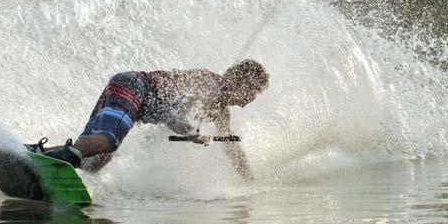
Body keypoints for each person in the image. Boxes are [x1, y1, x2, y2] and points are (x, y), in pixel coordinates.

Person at [27, 59, 269, 182]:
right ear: (241, 81)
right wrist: (191, 133)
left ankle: (37, 153)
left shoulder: (220, 110)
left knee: (97, 160)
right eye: (253, 91)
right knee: (106, 141)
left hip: (134, 97)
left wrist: (249, 182)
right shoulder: (210, 84)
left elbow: (232, 149)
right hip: (134, 87)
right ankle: (50, 161)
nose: (252, 98)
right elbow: (174, 114)